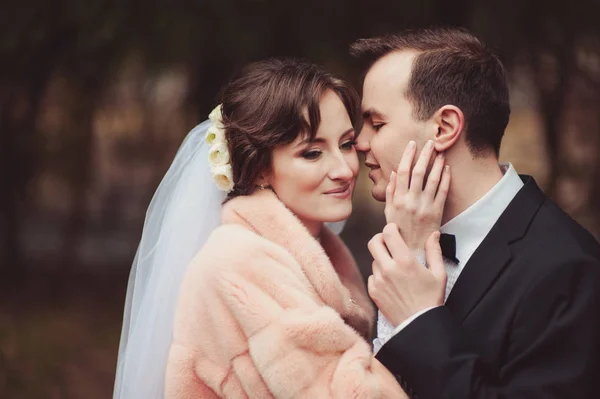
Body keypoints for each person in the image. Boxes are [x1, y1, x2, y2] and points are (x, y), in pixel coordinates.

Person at [113, 58, 413, 398]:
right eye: (313, 153)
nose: (344, 169)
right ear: (259, 170)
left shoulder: (316, 254)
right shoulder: (239, 264)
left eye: (345, 144)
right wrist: (421, 311)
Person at [351, 27, 600, 398]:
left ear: (445, 127)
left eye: (377, 123)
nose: (359, 141)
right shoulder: (401, 244)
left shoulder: (570, 269)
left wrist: (420, 320)